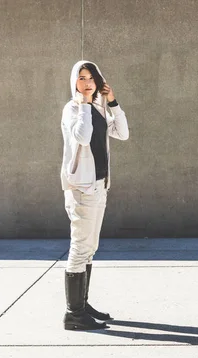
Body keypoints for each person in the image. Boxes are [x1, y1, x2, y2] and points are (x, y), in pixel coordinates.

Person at [60, 60, 129, 330]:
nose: (87, 83)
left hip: (99, 185)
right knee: (79, 249)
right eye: (81, 78)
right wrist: (86, 105)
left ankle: (83, 304)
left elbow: (122, 133)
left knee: (90, 249)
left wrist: (112, 103)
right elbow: (83, 136)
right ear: (74, 82)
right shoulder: (73, 108)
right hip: (81, 189)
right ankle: (73, 314)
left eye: (91, 78)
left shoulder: (98, 107)